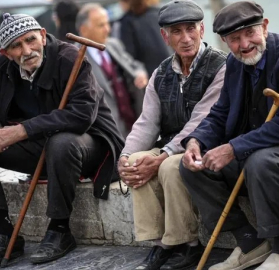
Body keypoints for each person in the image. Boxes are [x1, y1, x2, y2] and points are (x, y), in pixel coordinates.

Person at [179, 1, 279, 270]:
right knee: (193, 167)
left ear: (265, 26)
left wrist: (233, 148)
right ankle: (249, 242)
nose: (244, 44)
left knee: (260, 161)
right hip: (255, 149)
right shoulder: (234, 64)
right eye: (235, 39)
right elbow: (220, 113)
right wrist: (196, 141)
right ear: (224, 41)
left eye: (250, 33)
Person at [0, 13, 124, 266]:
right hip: (39, 146)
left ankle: (60, 229)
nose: (27, 50)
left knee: (61, 142)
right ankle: (4, 233)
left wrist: (20, 130)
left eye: (31, 40)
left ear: (44, 35)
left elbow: (82, 115)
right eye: (17, 46)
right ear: (5, 53)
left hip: (87, 145)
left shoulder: (69, 58)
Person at [117, 0, 227, 269]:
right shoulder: (161, 73)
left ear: (202, 29)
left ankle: (187, 243)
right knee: (136, 163)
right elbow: (146, 123)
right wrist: (126, 155)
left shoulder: (220, 66)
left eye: (191, 29)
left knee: (167, 166)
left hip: (207, 146)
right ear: (165, 37)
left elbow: (202, 121)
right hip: (170, 145)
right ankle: (161, 243)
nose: (186, 38)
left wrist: (165, 153)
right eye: (176, 31)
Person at [77, 3, 149, 138]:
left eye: (107, 24)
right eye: (101, 25)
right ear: (84, 30)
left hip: (134, 124)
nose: (107, 29)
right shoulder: (75, 57)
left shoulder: (113, 45)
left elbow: (135, 66)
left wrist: (140, 74)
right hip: (107, 131)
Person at [117, 0, 172, 77]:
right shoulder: (159, 12)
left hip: (152, 76)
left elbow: (129, 55)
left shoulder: (126, 22)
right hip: (173, 67)